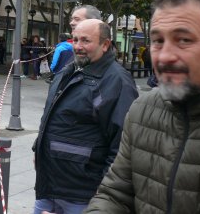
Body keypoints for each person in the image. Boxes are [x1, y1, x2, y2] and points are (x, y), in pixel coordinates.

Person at [86, 0, 200, 213]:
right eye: (157, 41)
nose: (164, 56)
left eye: (184, 40)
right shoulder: (142, 110)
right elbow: (115, 195)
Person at [32, 19, 138, 214]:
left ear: (105, 44)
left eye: (86, 41)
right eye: (75, 40)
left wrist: (105, 194)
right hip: (48, 187)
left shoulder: (118, 81)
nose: (78, 46)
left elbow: (122, 146)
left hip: (82, 195)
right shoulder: (70, 70)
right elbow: (53, 117)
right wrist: (38, 147)